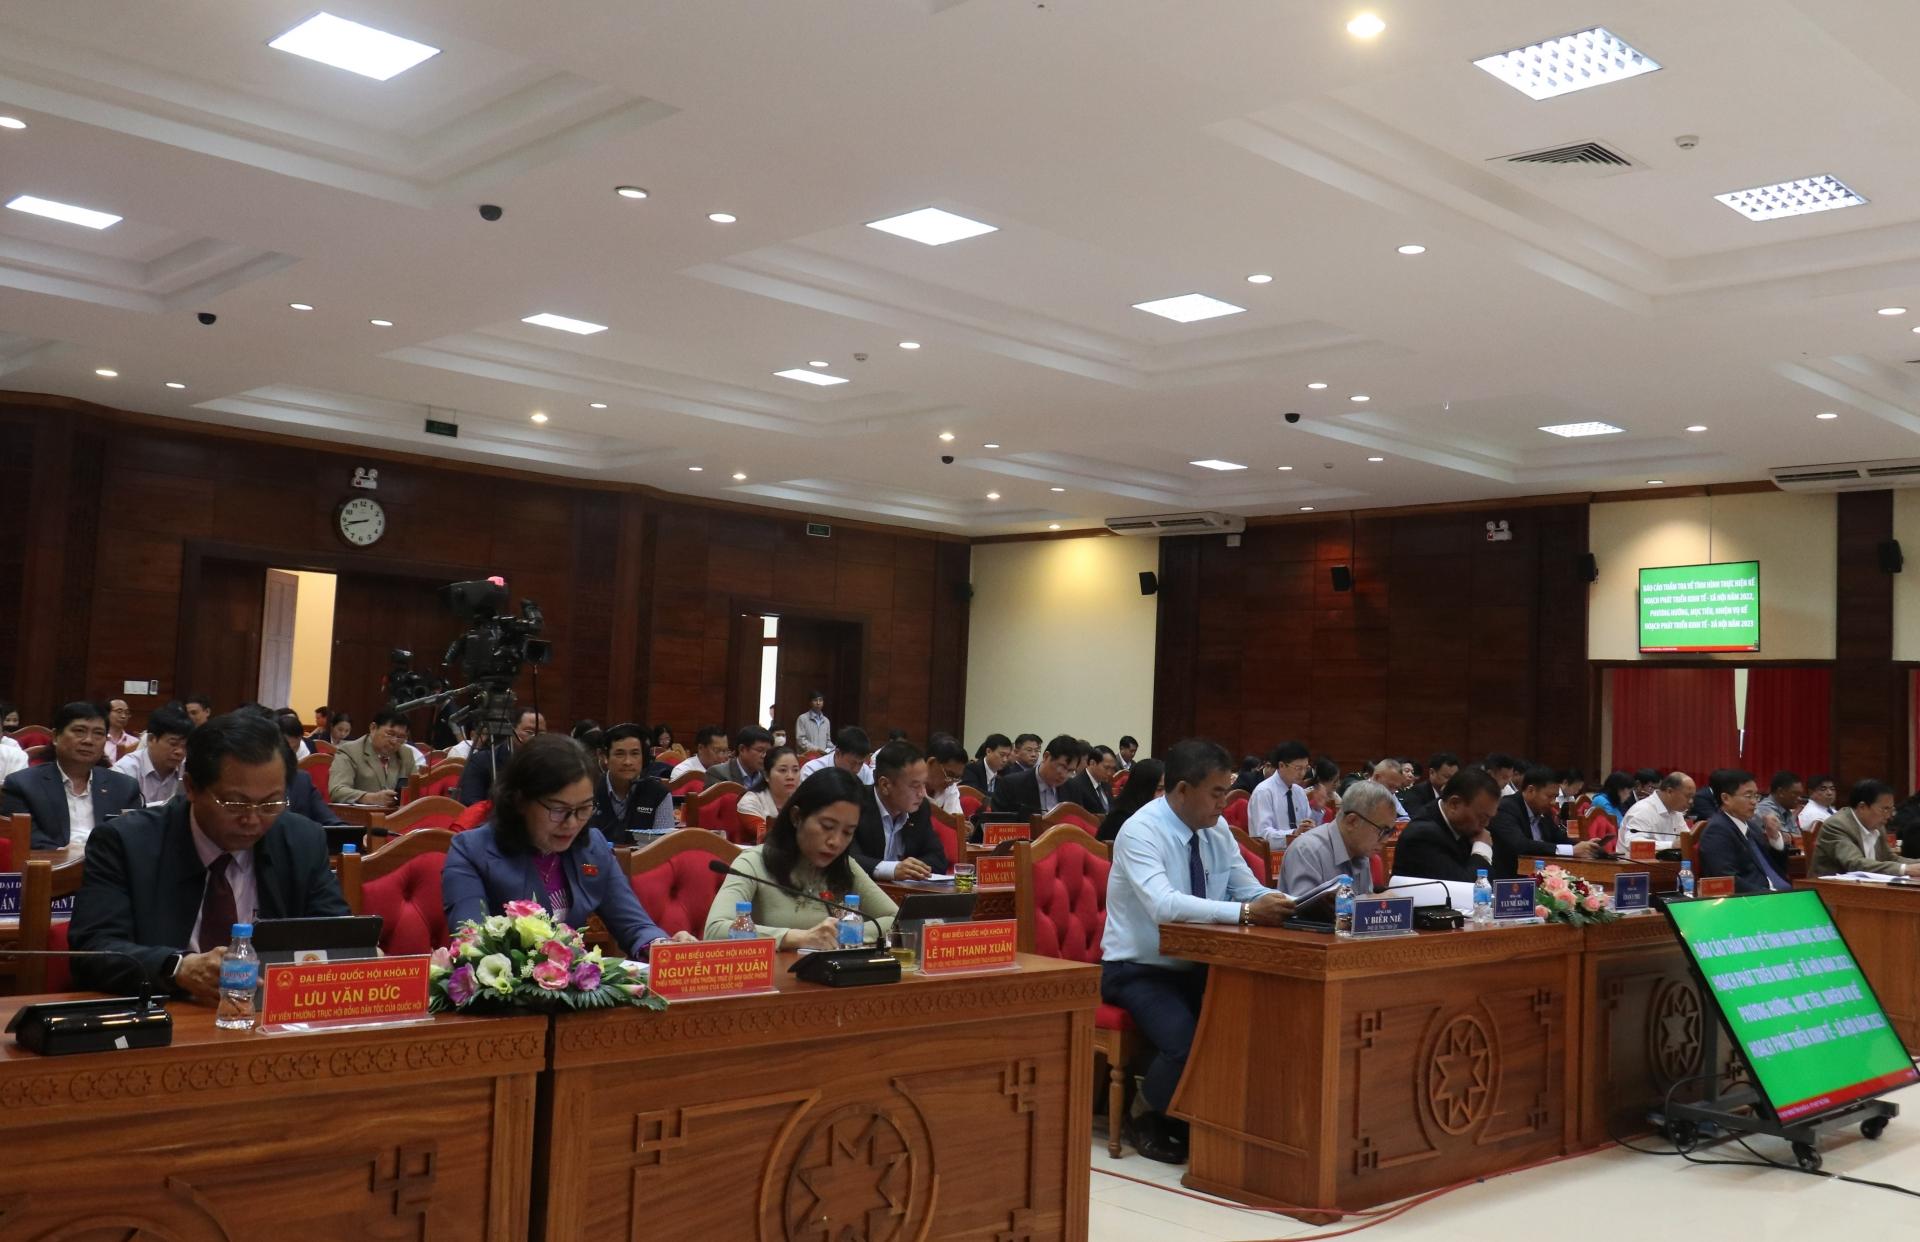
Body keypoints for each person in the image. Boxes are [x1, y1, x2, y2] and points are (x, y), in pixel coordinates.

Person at [1101, 739, 1294, 1163]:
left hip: (1201, 962)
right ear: (1183, 790)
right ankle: (1144, 1113)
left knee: (1244, 1025)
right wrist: (1247, 913)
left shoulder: (1216, 829)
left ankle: (1206, 1114)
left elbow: (1248, 889)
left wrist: (1295, 905)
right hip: (1138, 967)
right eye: (1217, 793)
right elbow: (1164, 905)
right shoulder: (1140, 830)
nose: (1225, 803)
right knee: (1187, 1043)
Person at [68, 712, 350, 997]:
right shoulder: (125, 842)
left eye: (270, 804)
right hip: (163, 1008)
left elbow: (339, 937)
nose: (253, 820)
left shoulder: (302, 840)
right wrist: (178, 968)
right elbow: (93, 951)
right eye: (235, 804)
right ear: (191, 787)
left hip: (269, 1009)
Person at [442, 735, 693, 958]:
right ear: (519, 801)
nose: (572, 823)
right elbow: (473, 943)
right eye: (558, 810)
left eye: (584, 809)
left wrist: (660, 945)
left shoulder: (592, 845)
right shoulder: (471, 851)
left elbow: (634, 924)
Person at [703, 767, 898, 947]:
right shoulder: (753, 862)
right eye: (827, 827)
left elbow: (895, 919)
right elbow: (715, 930)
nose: (836, 842)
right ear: (796, 817)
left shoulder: (844, 865)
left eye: (847, 832)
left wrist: (841, 934)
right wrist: (796, 938)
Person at [1, 701, 142, 849]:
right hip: (52, 861)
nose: (88, 740)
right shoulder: (22, 784)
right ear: (56, 737)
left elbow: (133, 835)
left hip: (106, 862)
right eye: (79, 731)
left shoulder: (125, 786)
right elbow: (26, 836)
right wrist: (66, 855)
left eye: (98, 733)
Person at [1277, 779, 1395, 899]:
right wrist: (1370, 900)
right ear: (1352, 821)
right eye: (1382, 831)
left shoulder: (1361, 851)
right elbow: (1307, 909)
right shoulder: (1307, 851)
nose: (1385, 840)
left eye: (1390, 832)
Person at [850, 740, 947, 880]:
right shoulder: (855, 804)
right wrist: (891, 869)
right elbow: (848, 859)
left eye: (924, 784)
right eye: (915, 786)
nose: (922, 794)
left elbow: (938, 859)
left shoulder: (920, 809)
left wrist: (910, 869)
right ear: (885, 785)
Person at [1390, 767, 1502, 884]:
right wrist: (1482, 848)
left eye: (1490, 818)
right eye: (1482, 817)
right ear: (1454, 804)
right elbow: (1466, 889)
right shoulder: (1422, 836)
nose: (1486, 824)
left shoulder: (1465, 825)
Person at [1488, 764, 1599, 878]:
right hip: (1510, 878)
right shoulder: (1506, 808)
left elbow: (1558, 837)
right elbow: (1520, 844)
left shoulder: (1544, 811)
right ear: (1531, 790)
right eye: (1549, 796)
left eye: (1555, 797)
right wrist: (1571, 850)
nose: (1553, 802)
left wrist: (1586, 846)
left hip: (1542, 876)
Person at [1697, 769, 1790, 894]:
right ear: (1726, 798)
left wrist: (1775, 838)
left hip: (1780, 892)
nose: (1754, 802)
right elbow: (1727, 879)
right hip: (1754, 898)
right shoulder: (1716, 831)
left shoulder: (1752, 827)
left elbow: (1775, 868)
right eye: (1748, 796)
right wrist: (1767, 895)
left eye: (1756, 796)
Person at [1812, 779, 1917, 878]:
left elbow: (1890, 858)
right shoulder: (1837, 825)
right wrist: (1905, 869)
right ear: (1862, 807)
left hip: (1867, 885)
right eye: (1885, 809)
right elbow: (1855, 863)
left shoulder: (1877, 826)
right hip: (1830, 887)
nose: (1889, 815)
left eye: (1891, 809)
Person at [590, 723, 674, 841]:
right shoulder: (589, 790)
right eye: (619, 754)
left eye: (635, 754)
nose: (628, 762)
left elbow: (664, 846)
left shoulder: (659, 794)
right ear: (604, 757)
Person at [328, 708, 419, 807]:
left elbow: (416, 791)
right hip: (361, 815)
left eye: (400, 737)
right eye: (390, 734)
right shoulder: (349, 751)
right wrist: (371, 798)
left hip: (398, 814)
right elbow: (337, 791)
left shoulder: (406, 753)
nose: (394, 741)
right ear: (373, 728)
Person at [456, 707, 545, 804]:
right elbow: (470, 802)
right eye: (529, 732)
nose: (536, 738)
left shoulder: (548, 763)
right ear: (511, 730)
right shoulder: (481, 761)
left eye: (541, 734)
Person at [990, 734, 1088, 818]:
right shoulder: (1011, 785)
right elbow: (999, 825)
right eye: (1062, 767)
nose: (1064, 775)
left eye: (1070, 771)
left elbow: (1078, 823)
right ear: (1046, 756)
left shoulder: (1073, 788)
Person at [112, 705, 193, 805]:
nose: (180, 752)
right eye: (173, 744)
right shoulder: (125, 770)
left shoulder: (188, 769)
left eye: (185, 746)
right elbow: (120, 812)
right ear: (150, 739)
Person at [1246, 741, 1311, 844]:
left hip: (1298, 848)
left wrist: (1314, 816)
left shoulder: (1299, 792)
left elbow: (1307, 823)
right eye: (1298, 768)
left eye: (1306, 768)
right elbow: (1262, 834)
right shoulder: (1264, 792)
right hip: (1270, 852)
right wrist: (1293, 834)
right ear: (1281, 765)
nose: (1302, 773)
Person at [1616, 771, 1694, 854]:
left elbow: (1685, 838)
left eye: (1692, 797)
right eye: (1688, 796)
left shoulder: (1675, 811)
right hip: (1631, 861)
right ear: (1670, 792)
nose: (1691, 801)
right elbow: (1633, 843)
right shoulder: (1642, 810)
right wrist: (1671, 845)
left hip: (1665, 860)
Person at [1099, 758, 1164, 842]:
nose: (1164, 795)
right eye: (1159, 789)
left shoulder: (1159, 813)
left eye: (1168, 789)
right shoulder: (1122, 819)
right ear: (1142, 789)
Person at [738, 745, 803, 823]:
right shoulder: (750, 802)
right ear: (766, 775)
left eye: (795, 770)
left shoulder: (804, 800)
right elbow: (760, 829)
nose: (790, 777)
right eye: (783, 770)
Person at [702, 725, 773, 791]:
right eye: (760, 750)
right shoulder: (718, 773)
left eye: (768, 752)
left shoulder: (768, 776)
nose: (765, 756)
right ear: (742, 749)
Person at [800, 726, 874, 785]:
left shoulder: (865, 772)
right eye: (852, 763)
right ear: (838, 753)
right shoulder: (812, 770)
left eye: (860, 763)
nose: (856, 770)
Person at [922, 734, 969, 816]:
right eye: (949, 774)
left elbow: (955, 821)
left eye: (957, 778)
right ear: (930, 763)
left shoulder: (951, 786)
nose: (951, 783)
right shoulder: (910, 787)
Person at [1064, 745, 1118, 814]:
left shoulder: (1105, 782)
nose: (1110, 773)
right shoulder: (1075, 785)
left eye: (1112, 768)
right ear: (1092, 763)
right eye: (1106, 768)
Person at [1402, 752, 1458, 817]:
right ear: (1432, 772)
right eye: (1446, 777)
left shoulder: (1457, 793)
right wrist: (1442, 797)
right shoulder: (1416, 792)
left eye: (1454, 778)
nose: (1451, 781)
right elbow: (1418, 818)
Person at [1753, 771, 1804, 841]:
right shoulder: (1765, 809)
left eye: (1800, 794)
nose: (1799, 798)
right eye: (1795, 793)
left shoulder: (1786, 810)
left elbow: (1797, 836)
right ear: (1781, 792)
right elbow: (1782, 838)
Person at [104, 698, 140, 763]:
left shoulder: (135, 742)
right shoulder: (99, 740)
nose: (123, 716)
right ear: (107, 713)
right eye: (119, 712)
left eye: (127, 713)